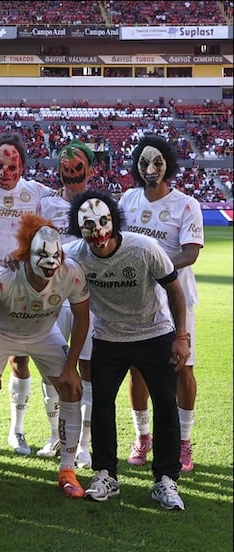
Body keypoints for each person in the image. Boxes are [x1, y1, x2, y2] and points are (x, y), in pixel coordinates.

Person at [66, 191, 189, 510]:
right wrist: (16, 257)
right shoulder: (76, 254)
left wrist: (182, 337)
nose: (97, 233)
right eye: (87, 226)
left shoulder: (144, 248)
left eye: (102, 223)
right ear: (79, 229)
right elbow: (41, 255)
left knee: (165, 404)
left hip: (154, 333)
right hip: (108, 338)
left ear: (114, 221)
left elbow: (175, 290)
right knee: (102, 405)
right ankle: (106, 474)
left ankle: (165, 479)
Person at [0, 214, 91, 499]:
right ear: (25, 254)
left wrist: (71, 367)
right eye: (41, 255)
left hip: (44, 332)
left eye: (55, 256)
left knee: (71, 388)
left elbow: (81, 318)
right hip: (0, 332)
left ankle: (67, 471)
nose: (50, 263)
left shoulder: (71, 273)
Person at [118, 135, 204, 473]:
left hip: (175, 300)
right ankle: (143, 437)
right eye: (143, 163)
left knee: (182, 368)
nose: (150, 168)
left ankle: (184, 443)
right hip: (136, 300)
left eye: (156, 162)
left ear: (167, 163)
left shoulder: (186, 204)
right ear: (136, 167)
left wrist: (156, 267)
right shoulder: (127, 199)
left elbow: (190, 252)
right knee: (137, 369)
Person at [0, 132, 54, 457]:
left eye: (12, 165)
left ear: (22, 167)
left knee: (21, 361)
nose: (5, 172)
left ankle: (16, 431)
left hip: (21, 293)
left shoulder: (35, 193)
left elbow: (65, 195)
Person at [35, 140, 98, 464]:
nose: (71, 175)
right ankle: (56, 436)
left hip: (90, 301)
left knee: (86, 368)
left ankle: (84, 443)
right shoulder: (46, 206)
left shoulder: (99, 204)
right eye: (65, 169)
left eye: (77, 169)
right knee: (53, 371)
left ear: (90, 169)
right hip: (54, 298)